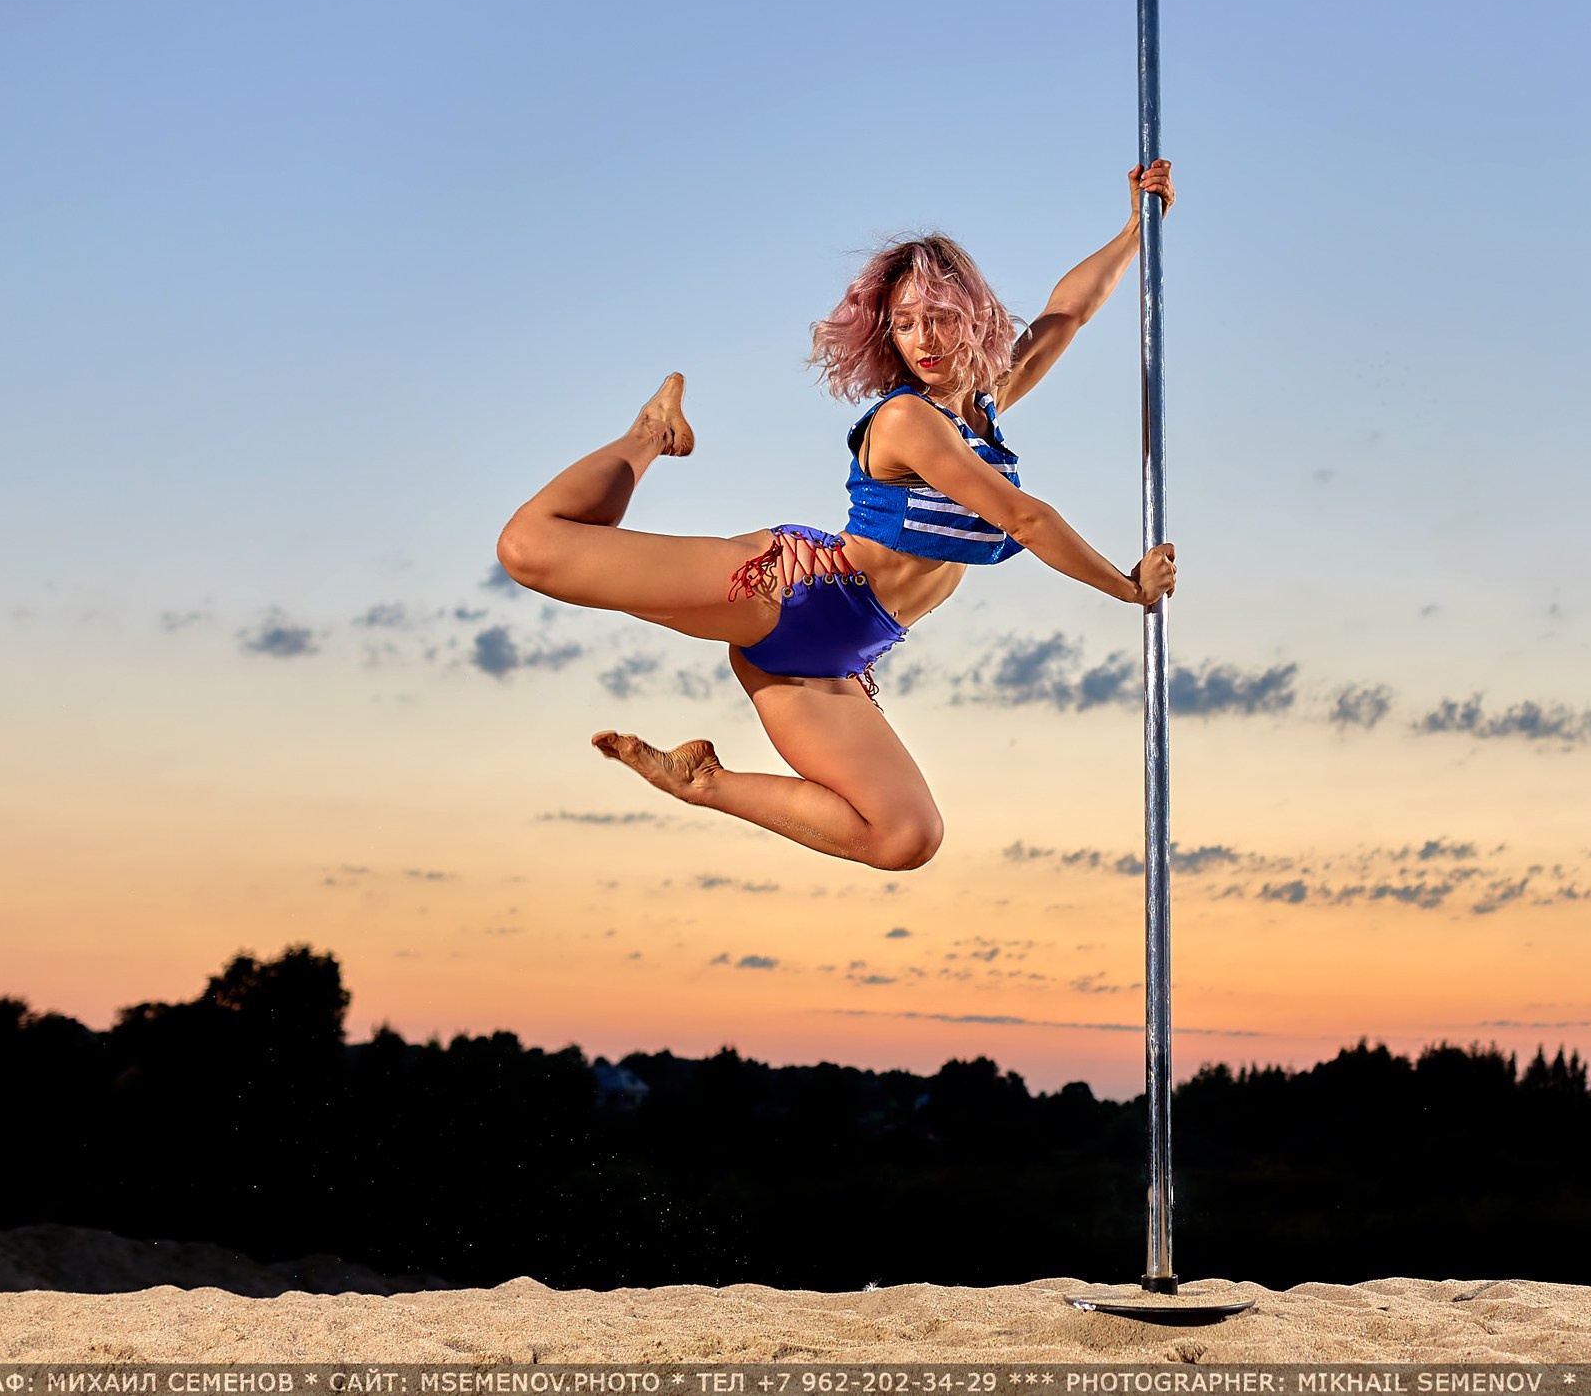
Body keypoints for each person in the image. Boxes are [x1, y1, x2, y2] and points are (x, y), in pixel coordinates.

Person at [495, 161, 1179, 872]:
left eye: (940, 318)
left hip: (836, 661)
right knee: (528, 548)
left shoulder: (983, 403)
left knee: (906, 836)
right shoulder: (908, 419)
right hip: (784, 592)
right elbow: (1026, 520)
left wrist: (1134, 229)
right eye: (907, 324)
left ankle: (703, 781)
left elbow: (1067, 314)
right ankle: (652, 435)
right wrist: (1128, 587)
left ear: (972, 315)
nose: (925, 339)